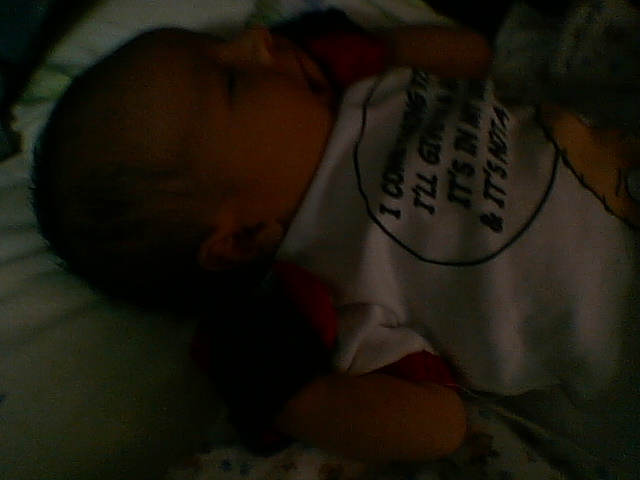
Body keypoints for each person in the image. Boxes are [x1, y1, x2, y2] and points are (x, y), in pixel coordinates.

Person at [31, 7, 639, 467]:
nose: (256, 39)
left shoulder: (363, 86)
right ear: (240, 239)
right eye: (232, 81)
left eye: (224, 45)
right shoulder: (320, 288)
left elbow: (478, 56)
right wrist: (295, 395)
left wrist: (384, 48)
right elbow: (439, 426)